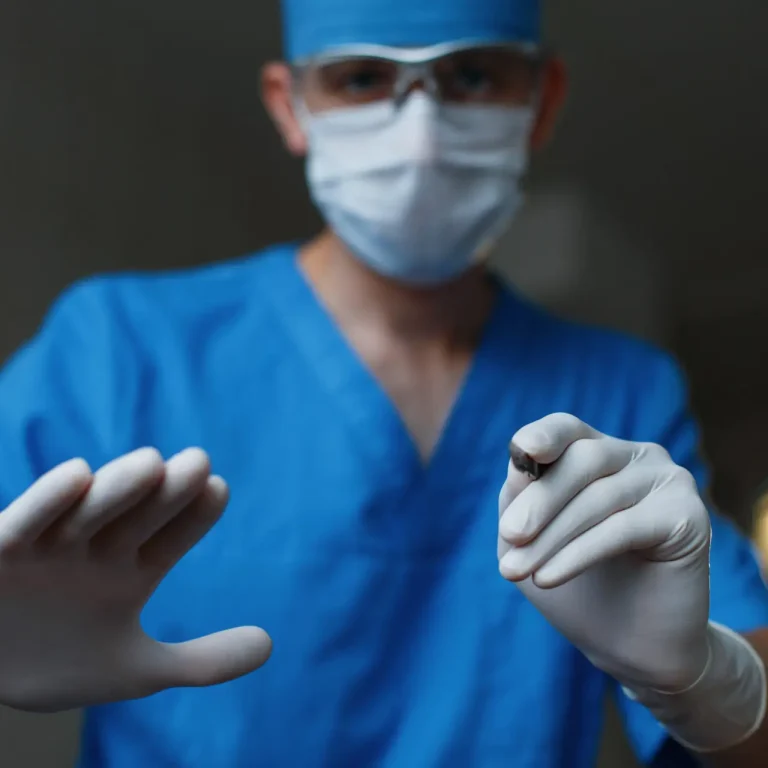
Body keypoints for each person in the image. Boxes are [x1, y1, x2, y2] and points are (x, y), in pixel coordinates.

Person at [0, 0, 766, 765]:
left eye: (471, 75)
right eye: (361, 78)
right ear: (290, 105)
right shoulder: (119, 346)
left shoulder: (619, 391)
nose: (421, 131)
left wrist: (705, 681)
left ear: (541, 101)